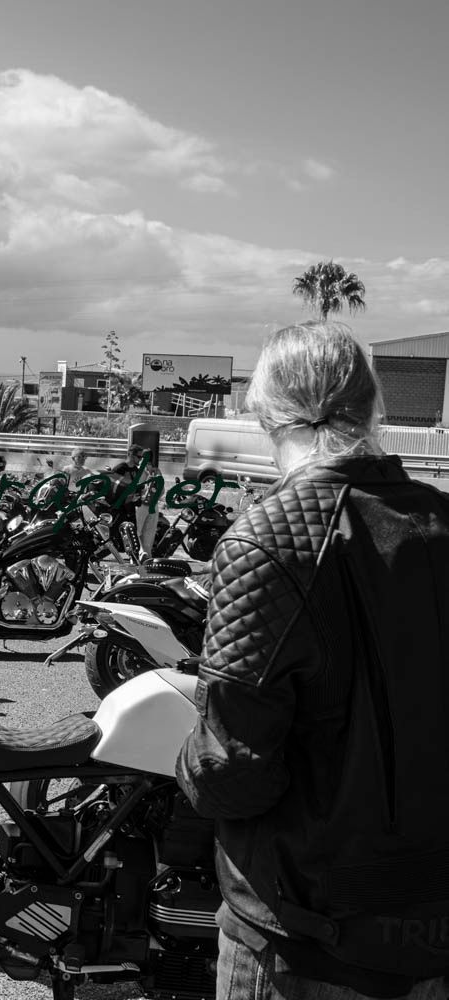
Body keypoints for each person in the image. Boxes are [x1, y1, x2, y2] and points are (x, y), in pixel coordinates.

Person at [178, 322, 449, 1000]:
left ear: (264, 410)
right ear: (371, 405)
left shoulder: (268, 539)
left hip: (307, 935)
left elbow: (234, 773)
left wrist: (184, 761)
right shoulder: (441, 519)